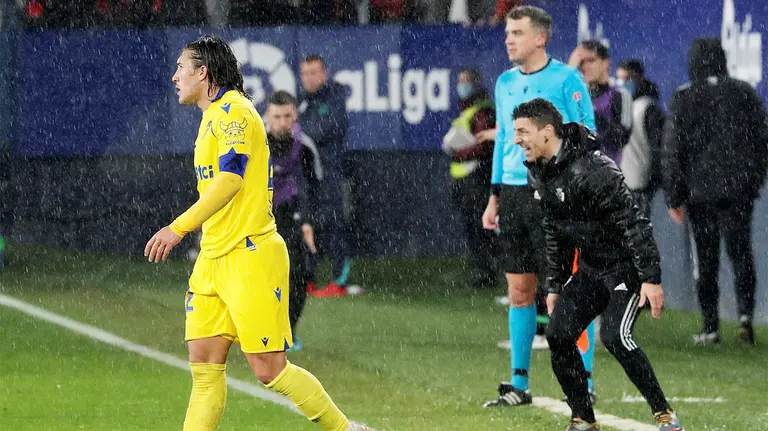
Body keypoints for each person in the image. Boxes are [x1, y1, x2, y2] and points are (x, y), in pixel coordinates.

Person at [144, 35, 370, 431]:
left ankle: (345, 429)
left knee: (270, 370)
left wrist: (177, 228)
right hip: (213, 259)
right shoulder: (211, 116)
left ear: (204, 72)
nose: (174, 75)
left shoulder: (235, 113)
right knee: (204, 366)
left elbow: (230, 180)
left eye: (182, 67)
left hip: (249, 255)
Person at [515, 98, 684, 431]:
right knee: (559, 335)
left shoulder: (593, 168)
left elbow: (634, 222)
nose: (517, 139)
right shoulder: (539, 171)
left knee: (615, 338)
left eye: (523, 132)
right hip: (591, 270)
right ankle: (583, 419)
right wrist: (556, 284)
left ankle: (664, 414)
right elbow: (555, 231)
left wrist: (650, 278)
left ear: (547, 132)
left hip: (626, 269)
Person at [481, 5, 598, 408]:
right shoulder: (504, 82)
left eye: (516, 32)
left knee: (568, 291)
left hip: (555, 194)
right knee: (519, 291)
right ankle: (518, 384)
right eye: (507, 32)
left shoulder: (567, 80)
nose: (508, 39)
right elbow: (501, 140)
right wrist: (495, 195)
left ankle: (583, 380)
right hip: (514, 195)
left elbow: (588, 135)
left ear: (539, 38)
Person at [663, 38, 768, 346]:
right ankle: (745, 318)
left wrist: (673, 196)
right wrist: (753, 181)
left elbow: (672, 150)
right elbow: (763, 140)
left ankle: (711, 327)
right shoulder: (744, 92)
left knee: (706, 260)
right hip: (738, 190)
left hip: (700, 193)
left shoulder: (684, 97)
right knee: (741, 253)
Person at [265, 90, 324, 352]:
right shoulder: (253, 143)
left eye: (287, 116)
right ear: (267, 116)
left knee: (299, 274)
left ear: (295, 116)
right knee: (259, 277)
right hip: (258, 216)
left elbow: (315, 186)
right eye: (276, 116)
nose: (282, 122)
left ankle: (288, 330)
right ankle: (258, 330)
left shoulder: (305, 146)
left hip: (291, 215)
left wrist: (308, 221)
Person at [298, 54, 354, 298]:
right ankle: (307, 278)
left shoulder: (334, 98)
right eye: (305, 73)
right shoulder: (302, 102)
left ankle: (338, 281)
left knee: (334, 225)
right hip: (305, 175)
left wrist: (297, 132)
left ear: (324, 73)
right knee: (306, 223)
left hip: (330, 173)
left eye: (314, 72)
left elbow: (321, 130)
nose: (309, 78)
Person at [443, 68, 501, 290]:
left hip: (476, 179)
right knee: (473, 228)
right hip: (464, 180)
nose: (461, 86)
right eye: (459, 82)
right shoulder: (466, 111)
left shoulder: (482, 112)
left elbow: (484, 145)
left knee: (482, 229)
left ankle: (488, 273)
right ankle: (483, 271)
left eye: (466, 82)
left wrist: (458, 153)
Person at [615, 59, 665, 219]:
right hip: (625, 184)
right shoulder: (620, 105)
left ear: (639, 78)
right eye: (619, 79)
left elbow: (658, 148)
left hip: (644, 186)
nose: (622, 83)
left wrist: (653, 179)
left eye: (627, 79)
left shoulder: (648, 109)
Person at [569, 40, 632, 164]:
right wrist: (569, 73)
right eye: (581, 62)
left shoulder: (619, 94)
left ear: (605, 63)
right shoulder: (576, 95)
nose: (584, 67)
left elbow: (621, 138)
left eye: (591, 61)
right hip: (576, 175)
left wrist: (589, 114)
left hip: (606, 174)